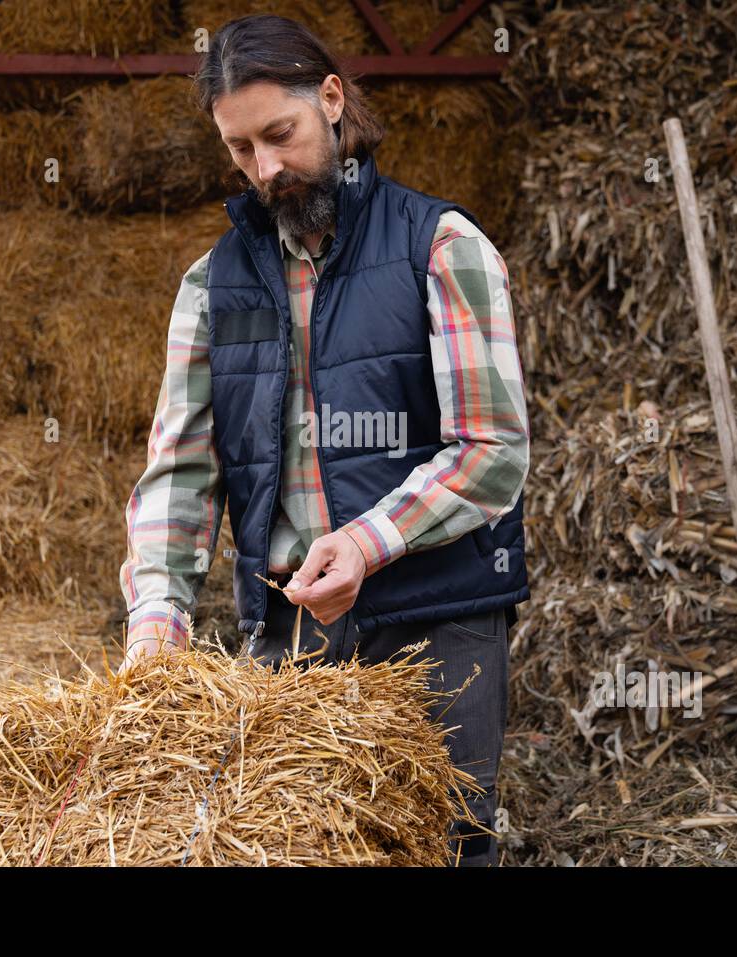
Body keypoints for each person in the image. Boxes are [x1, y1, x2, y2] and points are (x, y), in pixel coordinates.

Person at [119, 14, 530, 866]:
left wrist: (367, 543)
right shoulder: (210, 287)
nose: (265, 169)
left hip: (436, 626)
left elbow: (491, 450)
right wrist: (158, 611)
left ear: (333, 101)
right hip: (291, 636)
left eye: (281, 134)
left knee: (440, 850)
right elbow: (179, 475)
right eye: (240, 150)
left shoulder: (441, 247)